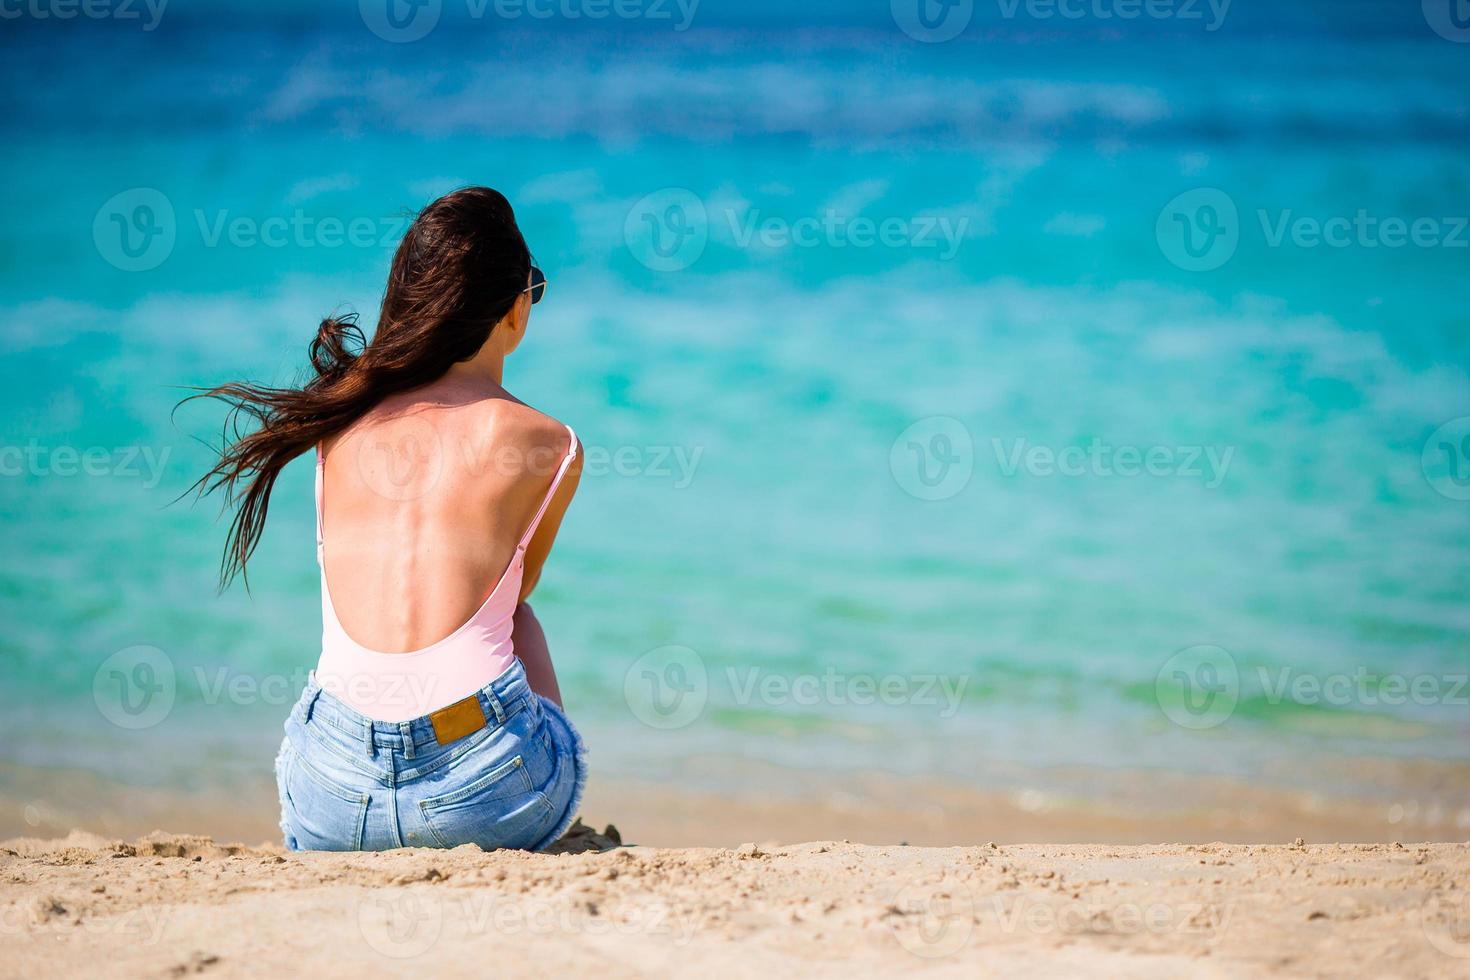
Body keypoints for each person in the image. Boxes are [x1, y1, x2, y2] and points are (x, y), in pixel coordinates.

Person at [189, 187, 585, 851]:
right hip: (483, 793)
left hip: (332, 796)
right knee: (514, 612)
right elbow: (519, 597)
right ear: (516, 308)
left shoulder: (335, 418)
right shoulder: (548, 441)